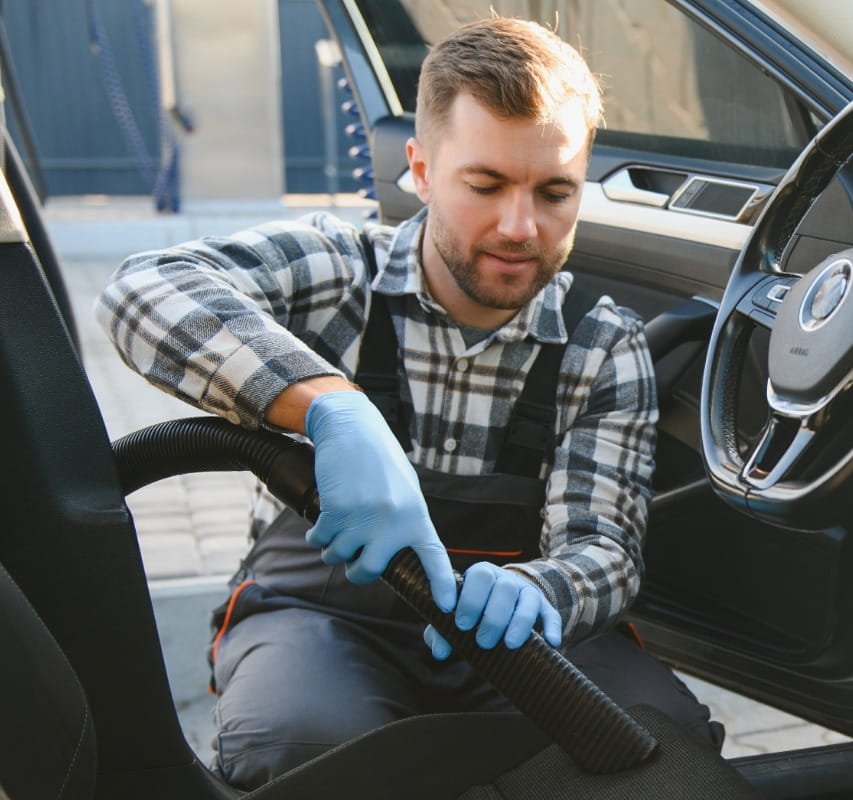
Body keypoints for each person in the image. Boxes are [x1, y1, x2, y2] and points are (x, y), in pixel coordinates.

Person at [96, 16, 722, 790]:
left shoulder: (603, 344)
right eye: (486, 185)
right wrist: (330, 406)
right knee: (300, 748)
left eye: (554, 191)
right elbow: (141, 291)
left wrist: (542, 587)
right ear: (421, 171)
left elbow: (606, 550)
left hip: (519, 638)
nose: (520, 227)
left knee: (661, 752)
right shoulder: (337, 272)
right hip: (324, 619)